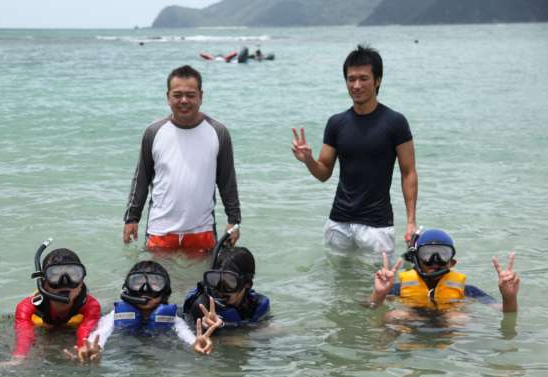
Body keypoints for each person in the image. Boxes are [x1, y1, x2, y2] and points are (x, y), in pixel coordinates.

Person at [291, 44, 418, 257]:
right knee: (337, 285)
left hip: (377, 226)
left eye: (363, 78)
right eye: (351, 79)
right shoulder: (336, 123)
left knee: (379, 283)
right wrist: (308, 160)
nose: (356, 85)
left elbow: (409, 172)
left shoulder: (395, 122)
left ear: (377, 81)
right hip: (338, 223)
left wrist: (411, 221)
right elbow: (323, 173)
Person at [123, 64, 241, 253]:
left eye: (191, 95)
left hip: (202, 230)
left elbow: (227, 181)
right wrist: (131, 218)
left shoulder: (219, 132)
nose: (184, 100)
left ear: (201, 97)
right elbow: (141, 179)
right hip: (159, 230)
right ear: (168, 97)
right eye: (177, 95)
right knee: (158, 281)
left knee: (202, 281)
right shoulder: (153, 132)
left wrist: (234, 221)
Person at [368, 228, 520, 324]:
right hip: (411, 325)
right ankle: (383, 354)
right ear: (416, 259)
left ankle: (460, 363)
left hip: (447, 331)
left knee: (460, 318)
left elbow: (506, 312)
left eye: (443, 254)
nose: (435, 261)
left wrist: (509, 297)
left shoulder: (468, 290)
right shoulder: (398, 288)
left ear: (452, 262)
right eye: (427, 254)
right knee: (394, 315)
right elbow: (370, 307)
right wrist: (379, 293)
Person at [87, 260, 220, 356]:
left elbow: (187, 335)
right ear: (128, 289)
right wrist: (93, 347)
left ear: (165, 291)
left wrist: (196, 344)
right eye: (138, 283)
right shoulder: (115, 315)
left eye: (155, 284)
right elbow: (100, 334)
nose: (145, 290)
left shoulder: (173, 319)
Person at [7, 241, 101, 364]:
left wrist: (84, 349)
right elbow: (24, 337)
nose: (65, 282)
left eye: (73, 275)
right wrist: (17, 359)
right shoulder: (27, 307)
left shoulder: (91, 306)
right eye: (55, 275)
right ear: (43, 282)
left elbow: (85, 334)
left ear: (82, 281)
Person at [183, 246, 270, 331]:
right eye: (216, 279)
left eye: (230, 282)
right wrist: (207, 327)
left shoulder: (255, 305)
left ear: (247, 284)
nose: (221, 288)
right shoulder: (203, 306)